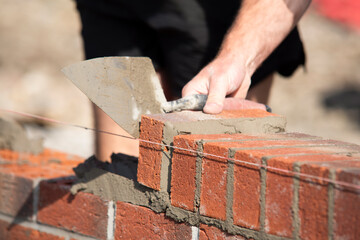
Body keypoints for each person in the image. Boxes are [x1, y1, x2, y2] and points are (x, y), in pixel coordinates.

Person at [75, 0, 311, 161]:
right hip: (114, 6)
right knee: (118, 169)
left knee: (207, 167)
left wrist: (236, 57)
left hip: (218, 11)